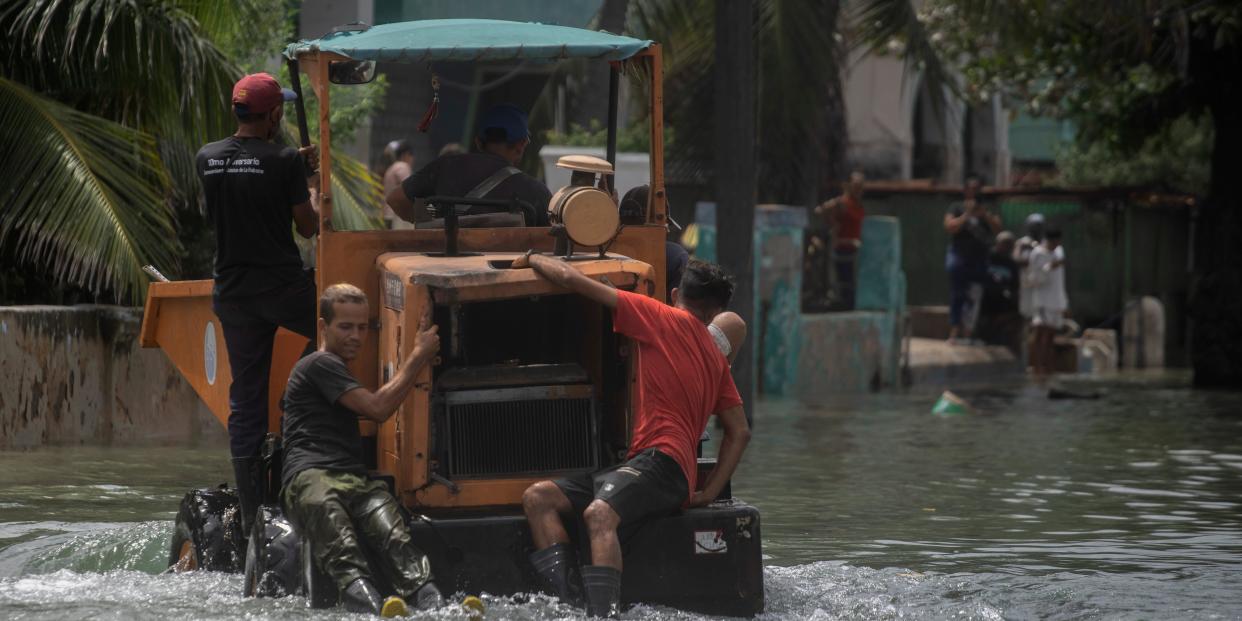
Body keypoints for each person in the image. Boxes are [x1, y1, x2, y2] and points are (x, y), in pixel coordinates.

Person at [515, 256, 751, 617]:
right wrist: (710, 491)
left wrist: (532, 257)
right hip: (646, 465)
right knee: (539, 497)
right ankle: (570, 607)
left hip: (664, 463)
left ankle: (604, 615)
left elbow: (569, 277)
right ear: (714, 311)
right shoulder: (718, 359)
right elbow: (740, 431)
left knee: (599, 514)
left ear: (675, 294)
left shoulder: (658, 315)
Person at [197, 72, 320, 532]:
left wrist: (291, 169)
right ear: (274, 114)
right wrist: (307, 179)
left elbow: (241, 194)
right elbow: (308, 227)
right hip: (283, 289)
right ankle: (297, 392)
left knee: (245, 401)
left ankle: (251, 518)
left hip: (233, 293)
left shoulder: (206, 158)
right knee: (344, 329)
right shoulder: (285, 159)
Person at [281, 283, 443, 616]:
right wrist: (418, 355)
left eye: (362, 327)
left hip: (353, 480)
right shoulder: (318, 364)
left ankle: (432, 600)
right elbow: (378, 408)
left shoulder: (339, 369)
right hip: (310, 477)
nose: (356, 335)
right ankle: (369, 605)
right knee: (342, 545)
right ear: (324, 327)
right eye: (345, 327)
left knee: (394, 535)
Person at [385, 104, 552, 227]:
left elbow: (396, 199)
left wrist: (428, 227)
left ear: (479, 142)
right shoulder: (536, 191)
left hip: (444, 268)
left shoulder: (444, 167)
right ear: (521, 144)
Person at [943, 175, 1001, 343]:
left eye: (978, 188)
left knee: (975, 295)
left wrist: (985, 216)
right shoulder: (956, 207)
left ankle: (969, 332)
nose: (974, 191)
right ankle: (954, 330)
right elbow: (949, 226)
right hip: (959, 255)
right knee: (957, 293)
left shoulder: (987, 208)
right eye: (971, 188)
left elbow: (998, 228)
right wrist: (966, 215)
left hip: (979, 258)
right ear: (966, 190)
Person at [814, 170, 866, 310]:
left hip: (855, 252)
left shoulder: (858, 205)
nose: (858, 189)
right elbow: (820, 210)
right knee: (845, 287)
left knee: (853, 287)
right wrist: (832, 224)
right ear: (848, 186)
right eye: (856, 185)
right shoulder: (842, 203)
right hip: (843, 251)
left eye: (860, 186)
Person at [1026, 229, 1069, 377]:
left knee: (1051, 337)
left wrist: (1064, 303)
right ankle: (1037, 368)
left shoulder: (1059, 251)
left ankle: (1048, 369)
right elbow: (1034, 279)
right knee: (1041, 335)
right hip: (1043, 301)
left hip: (1057, 301)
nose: (1056, 245)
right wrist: (1049, 267)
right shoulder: (1038, 254)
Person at [976, 231, 1023, 354]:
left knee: (1016, 314)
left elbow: (1015, 286)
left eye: (1009, 245)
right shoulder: (987, 257)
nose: (1006, 247)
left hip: (1001, 297)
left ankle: (1003, 340)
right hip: (985, 296)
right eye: (1004, 244)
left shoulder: (1011, 264)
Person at [381, 140, 415, 230]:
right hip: (398, 217)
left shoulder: (391, 168)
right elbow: (410, 189)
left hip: (388, 214)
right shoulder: (402, 166)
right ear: (406, 154)